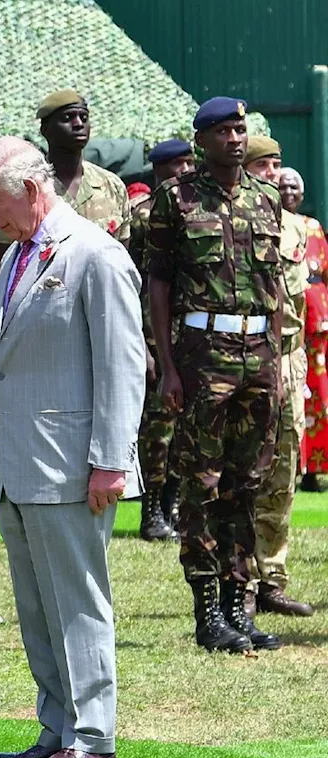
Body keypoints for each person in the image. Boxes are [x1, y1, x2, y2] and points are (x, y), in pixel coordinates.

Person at [0, 136, 143, 758]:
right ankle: (56, 724)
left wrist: (111, 458)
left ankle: (93, 735)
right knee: (37, 607)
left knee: (77, 599)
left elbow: (123, 366)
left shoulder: (96, 254)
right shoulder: (15, 254)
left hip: (72, 463)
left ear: (32, 190)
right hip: (17, 464)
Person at [147, 98, 283, 654]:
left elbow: (274, 289)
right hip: (203, 354)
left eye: (240, 129)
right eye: (223, 130)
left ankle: (238, 605)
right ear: (201, 139)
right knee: (202, 483)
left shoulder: (266, 198)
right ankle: (207, 613)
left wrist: (275, 360)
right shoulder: (174, 199)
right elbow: (156, 284)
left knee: (248, 483)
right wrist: (168, 366)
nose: (234, 138)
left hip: (259, 353)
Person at [244, 140, 315, 618]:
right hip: (248, 357)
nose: (273, 173)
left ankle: (272, 578)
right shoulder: (235, 222)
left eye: (276, 164)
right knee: (246, 470)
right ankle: (240, 581)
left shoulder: (296, 229)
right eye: (263, 165)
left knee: (284, 472)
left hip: (290, 360)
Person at [0, 90, 131, 290]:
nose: (79, 123)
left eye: (84, 117)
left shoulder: (112, 186)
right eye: (67, 118)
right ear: (46, 130)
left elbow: (121, 258)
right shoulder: (21, 189)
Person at [131, 139, 196, 541]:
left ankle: (172, 507)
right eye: (177, 164)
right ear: (158, 170)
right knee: (156, 431)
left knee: (184, 428)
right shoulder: (143, 216)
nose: (186, 169)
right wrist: (142, 344)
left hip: (190, 335)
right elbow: (131, 284)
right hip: (152, 336)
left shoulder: (198, 208)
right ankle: (152, 513)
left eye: (190, 161)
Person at [291, 167, 328, 488]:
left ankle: (315, 470)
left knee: (318, 395)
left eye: (295, 188)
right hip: (287, 323)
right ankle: (292, 465)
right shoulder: (268, 221)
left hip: (317, 325)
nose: (289, 192)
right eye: (283, 187)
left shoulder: (313, 227)